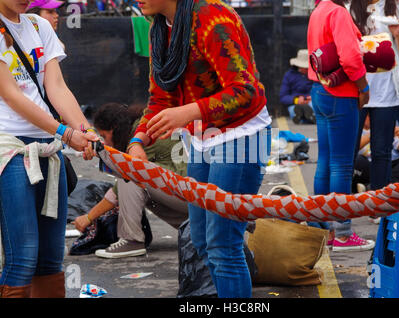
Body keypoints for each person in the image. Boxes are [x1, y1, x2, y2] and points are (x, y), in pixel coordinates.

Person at [128, 0, 271, 298]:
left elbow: (246, 90)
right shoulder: (158, 28)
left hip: (243, 134)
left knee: (223, 244)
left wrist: (189, 112)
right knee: (204, 243)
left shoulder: (211, 17)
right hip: (203, 138)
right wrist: (138, 140)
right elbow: (160, 98)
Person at [0, 0, 98, 298]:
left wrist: (85, 129)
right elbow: (12, 95)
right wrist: (65, 133)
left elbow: (56, 86)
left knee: (51, 259)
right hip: (10, 150)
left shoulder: (38, 25)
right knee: (23, 256)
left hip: (47, 149)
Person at [73, 103, 188, 259]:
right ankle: (193, 229)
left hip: (191, 195)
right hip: (191, 201)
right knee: (135, 180)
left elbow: (119, 187)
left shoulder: (143, 134)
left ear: (114, 128)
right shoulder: (139, 128)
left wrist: (88, 217)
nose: (105, 143)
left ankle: (132, 240)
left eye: (104, 136)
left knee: (131, 172)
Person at [307, 0, 374, 252]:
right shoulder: (338, 12)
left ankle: (323, 225)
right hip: (340, 94)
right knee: (342, 166)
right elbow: (350, 57)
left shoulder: (319, 10)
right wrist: (363, 87)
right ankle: (343, 233)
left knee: (325, 160)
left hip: (320, 90)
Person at [350, 0, 399, 192]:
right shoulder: (349, 7)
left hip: (387, 92)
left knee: (382, 151)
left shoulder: (394, 8)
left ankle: (378, 206)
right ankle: (344, 203)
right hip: (358, 89)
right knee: (350, 149)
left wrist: (397, 35)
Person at [279, 49, 315, 124]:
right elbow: (283, 97)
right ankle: (308, 117)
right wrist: (296, 100)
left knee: (314, 106)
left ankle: (309, 116)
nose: (307, 69)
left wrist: (313, 98)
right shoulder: (289, 75)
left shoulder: (314, 74)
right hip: (295, 103)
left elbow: (318, 90)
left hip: (311, 102)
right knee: (294, 111)